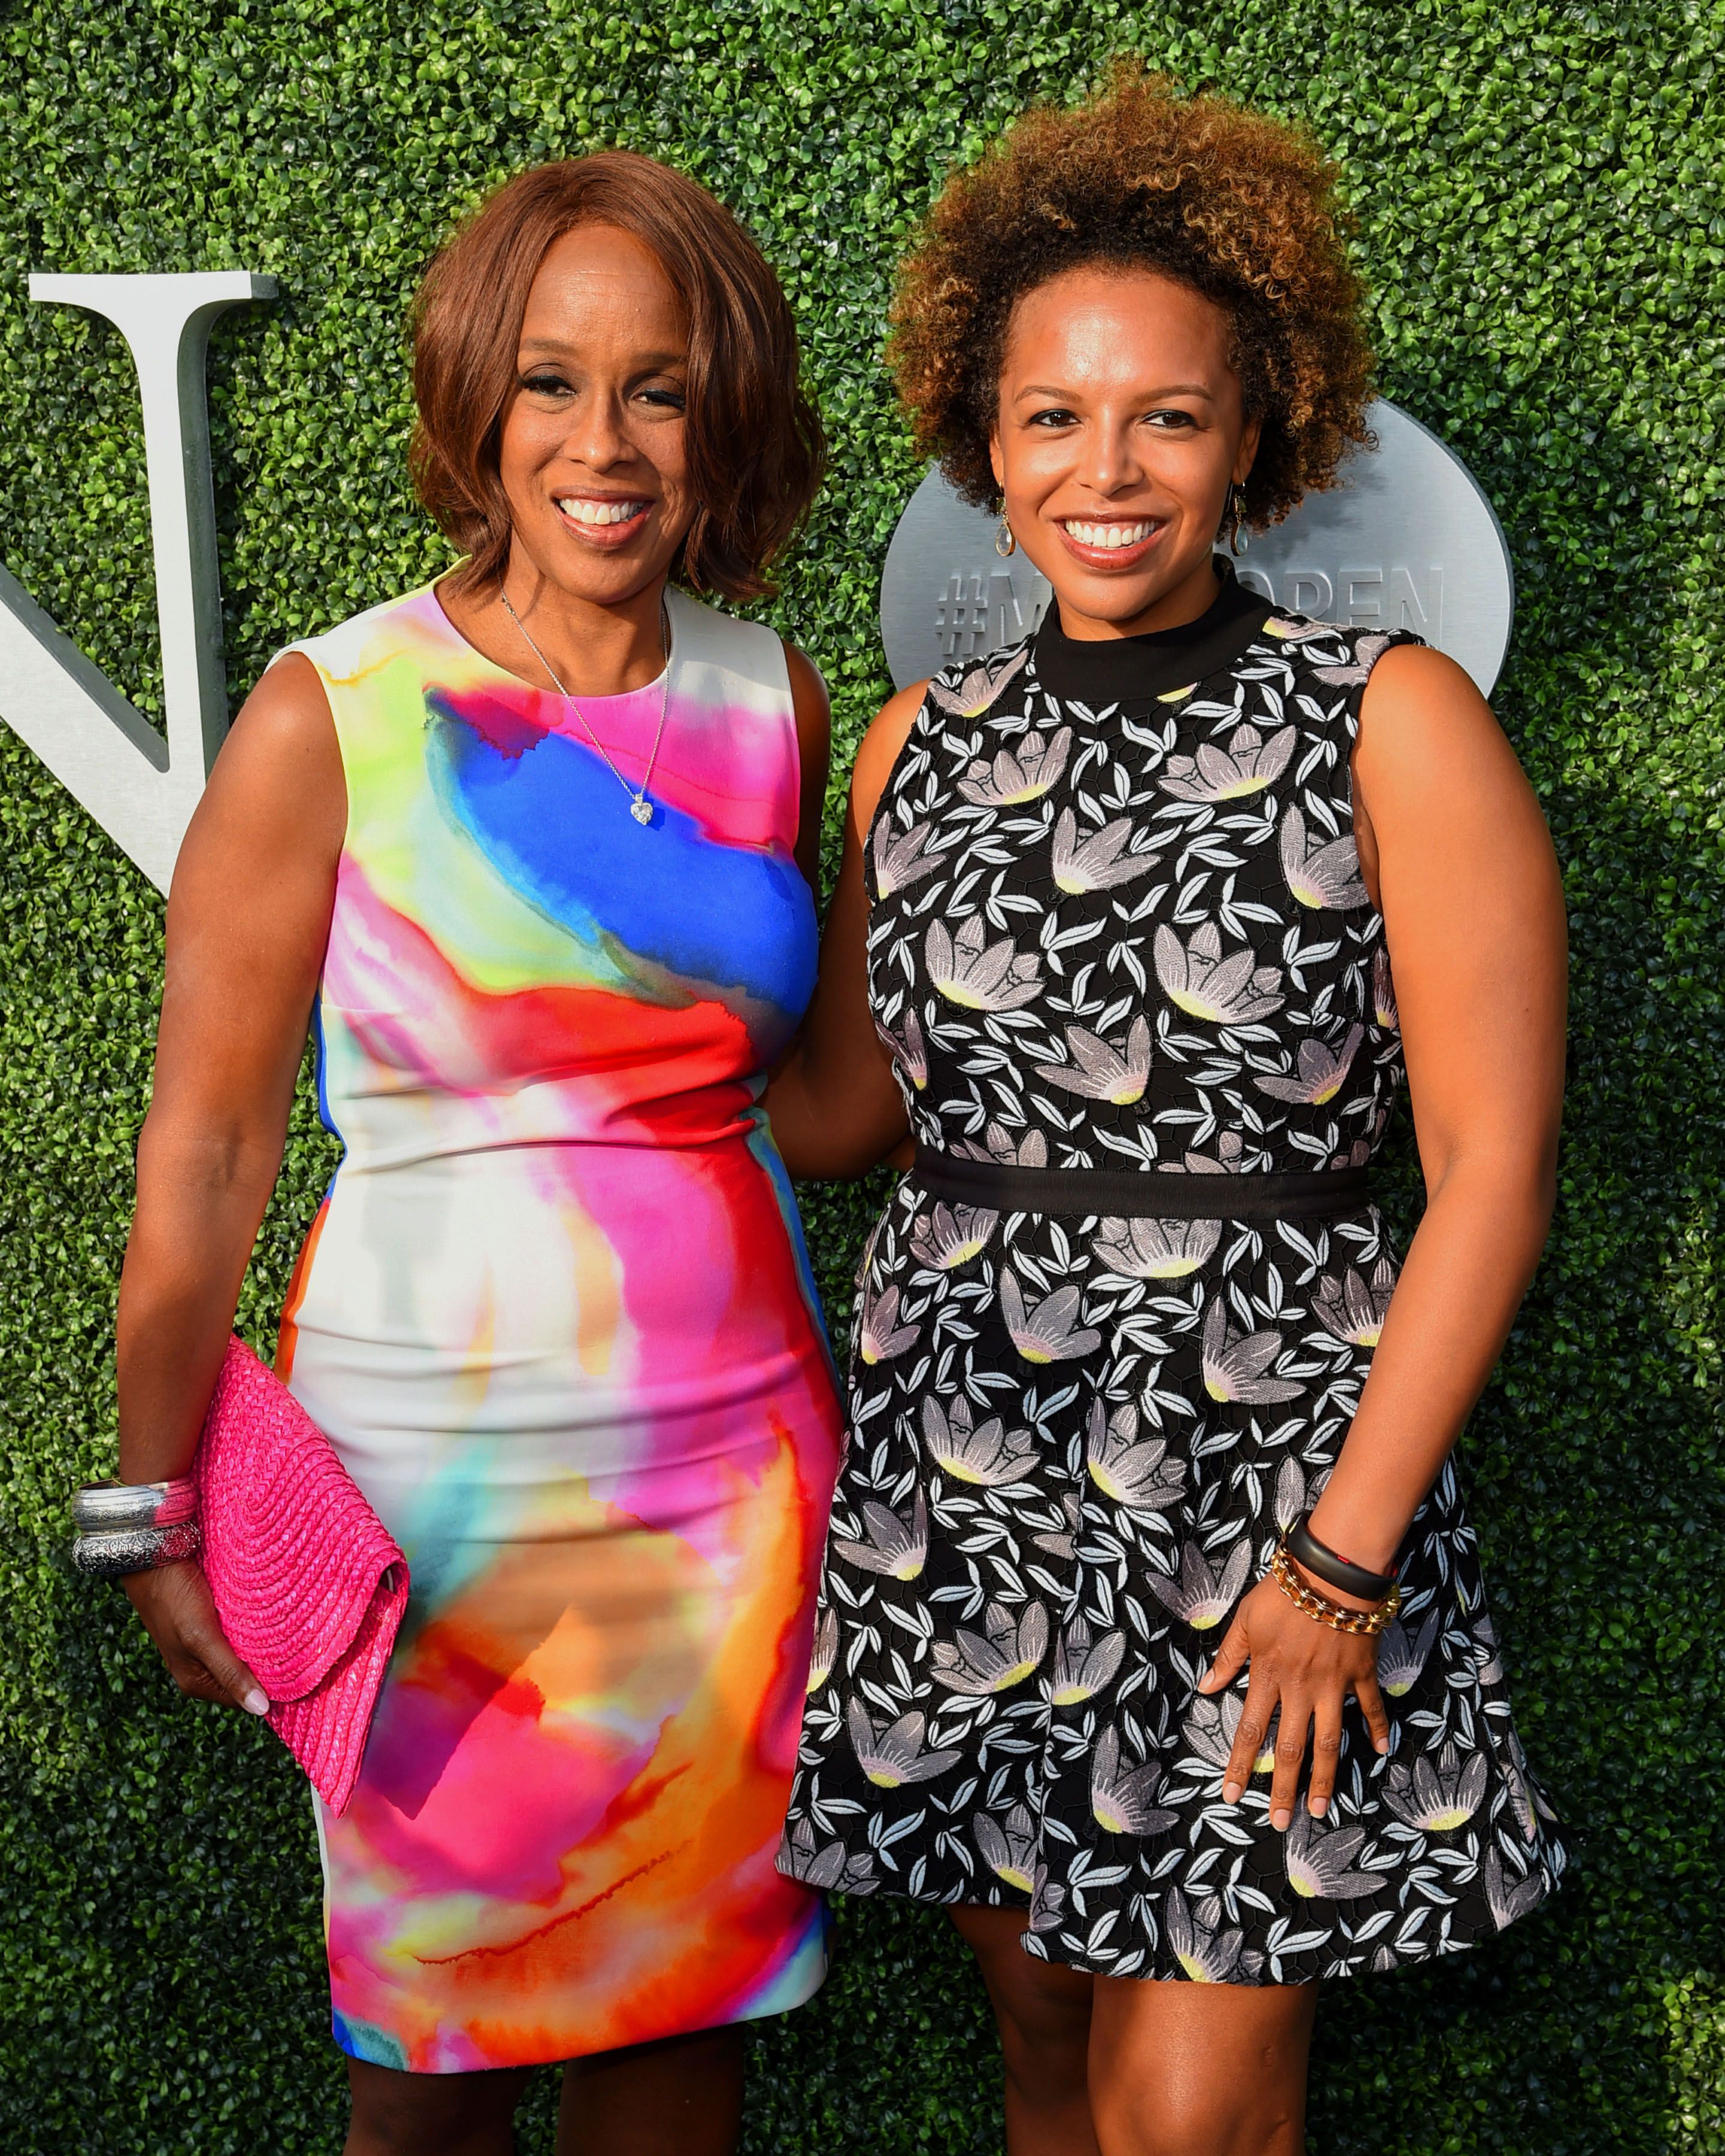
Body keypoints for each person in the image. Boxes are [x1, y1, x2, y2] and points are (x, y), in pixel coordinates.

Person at [770, 63, 1568, 2156]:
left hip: (1277, 1490)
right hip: (971, 1480)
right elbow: (844, 1113)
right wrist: (588, 966)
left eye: (1166, 417)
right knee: (1048, 2070)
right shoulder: (911, 751)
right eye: (1053, 418)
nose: (1104, 470)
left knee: (1192, 2108)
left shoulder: (1393, 721)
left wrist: (1342, 1562)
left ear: (1258, 438)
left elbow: (1492, 1178)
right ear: (984, 441)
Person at [111, 151, 841, 2156]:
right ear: (475, 405)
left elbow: (841, 1094)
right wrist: (157, 1505)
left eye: (659, 387)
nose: (601, 444)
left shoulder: (769, 696)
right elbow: (207, 1148)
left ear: (726, 416)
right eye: (549, 383)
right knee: (420, 2092)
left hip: (731, 1503)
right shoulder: (335, 711)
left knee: (679, 2059)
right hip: (434, 1529)